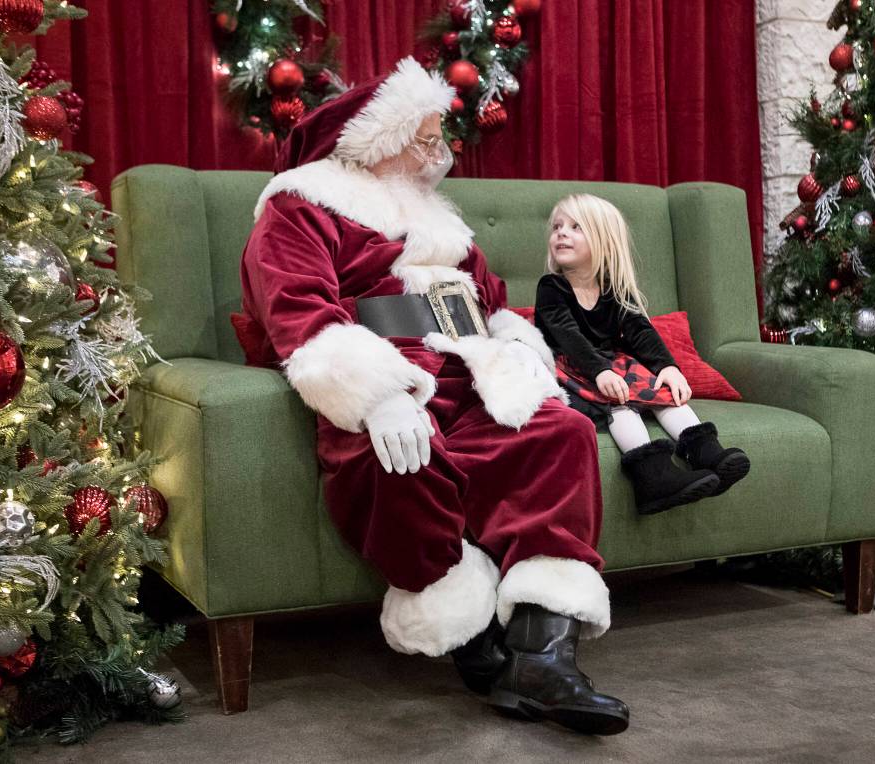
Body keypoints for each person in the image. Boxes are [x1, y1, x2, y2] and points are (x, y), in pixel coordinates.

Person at [232, 58, 629, 735]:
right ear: (378, 140)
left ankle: (543, 656)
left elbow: (495, 305)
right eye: (425, 136)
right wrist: (373, 393)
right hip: (392, 373)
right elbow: (297, 307)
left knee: (559, 434)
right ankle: (474, 640)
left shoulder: (442, 224)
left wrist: (521, 357)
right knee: (396, 458)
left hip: (472, 373)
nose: (439, 150)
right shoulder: (301, 207)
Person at [535, 194, 751, 515]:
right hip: (569, 368)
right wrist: (600, 373)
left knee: (662, 390)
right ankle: (652, 477)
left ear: (604, 243)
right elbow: (569, 337)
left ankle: (705, 452)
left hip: (606, 365)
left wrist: (668, 367)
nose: (561, 233)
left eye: (575, 227)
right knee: (619, 404)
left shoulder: (611, 288)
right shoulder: (552, 287)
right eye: (557, 227)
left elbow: (640, 330)